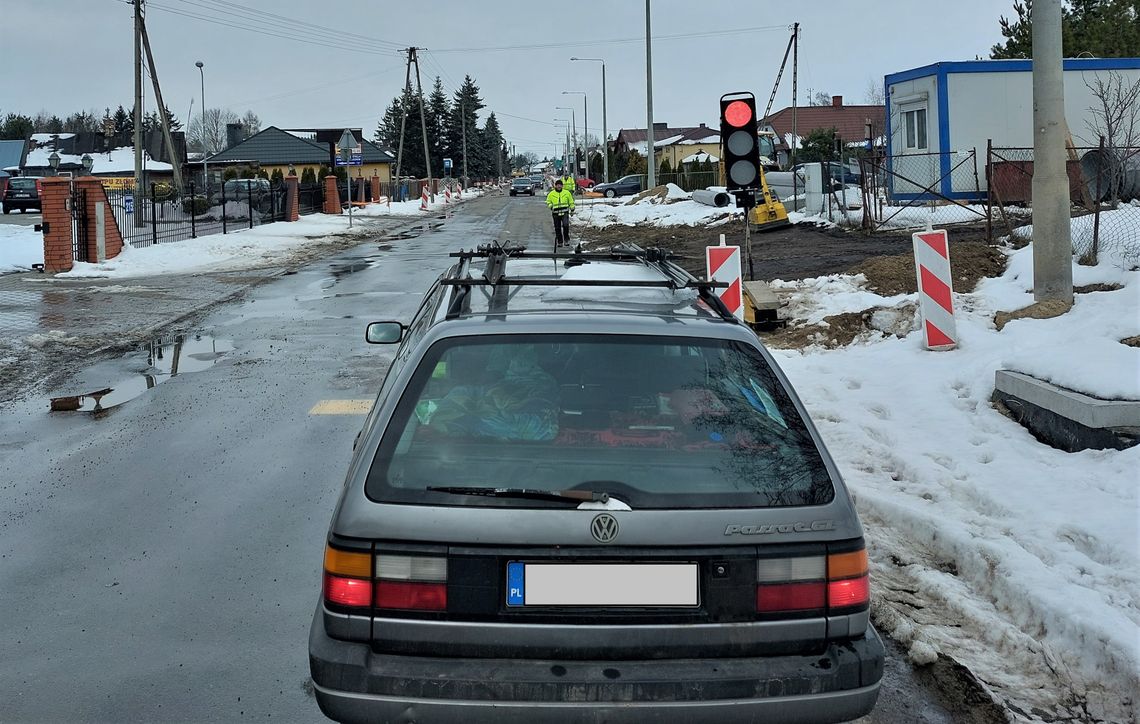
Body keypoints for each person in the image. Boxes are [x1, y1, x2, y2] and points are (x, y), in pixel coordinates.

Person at [545, 178, 575, 247]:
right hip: (555, 213)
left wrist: (572, 208)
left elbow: (571, 201)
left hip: (565, 212)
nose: (559, 186)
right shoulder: (551, 194)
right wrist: (551, 206)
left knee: (566, 225)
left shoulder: (567, 193)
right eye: (557, 185)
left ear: (562, 186)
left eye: (560, 185)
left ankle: (566, 240)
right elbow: (548, 201)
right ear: (555, 186)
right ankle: (560, 241)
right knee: (557, 228)